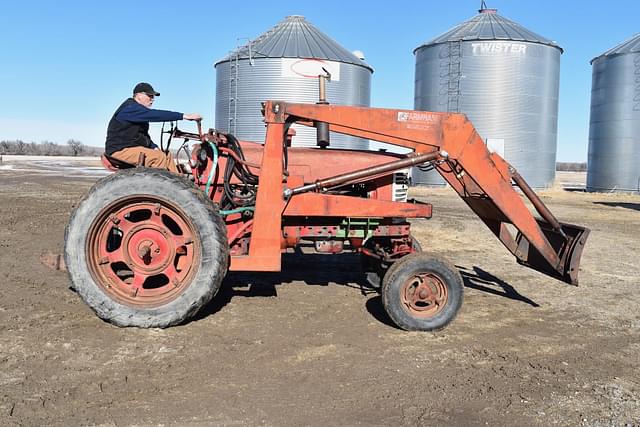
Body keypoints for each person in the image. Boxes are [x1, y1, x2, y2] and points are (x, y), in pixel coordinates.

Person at [105, 82, 201, 172]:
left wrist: (154, 147)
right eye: (150, 96)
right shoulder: (130, 108)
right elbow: (155, 114)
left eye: (153, 97)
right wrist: (184, 116)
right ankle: (164, 187)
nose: (152, 99)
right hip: (119, 151)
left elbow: (141, 136)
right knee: (158, 157)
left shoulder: (138, 112)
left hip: (130, 148)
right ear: (139, 95)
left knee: (166, 154)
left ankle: (179, 185)